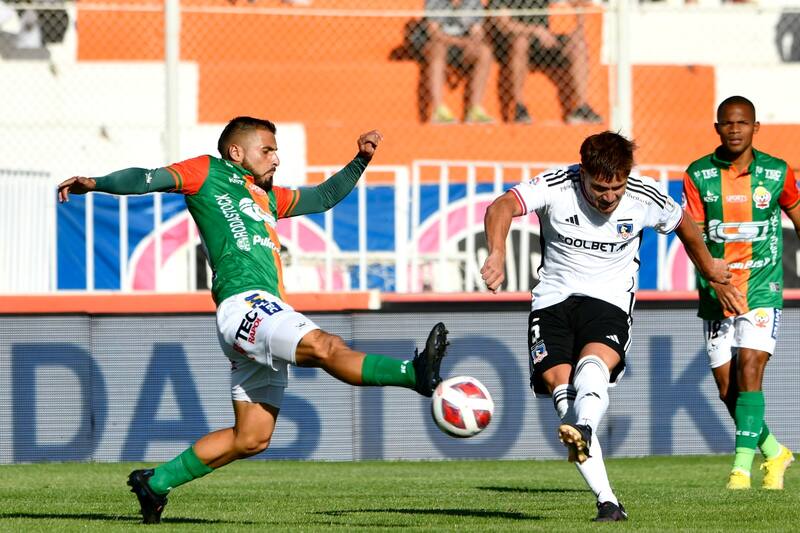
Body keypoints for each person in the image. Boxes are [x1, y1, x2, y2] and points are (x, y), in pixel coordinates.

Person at [57, 117, 450, 524]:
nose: (277, 158)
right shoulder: (206, 171)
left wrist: (360, 161)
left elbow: (323, 197)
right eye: (268, 150)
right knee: (324, 345)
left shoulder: (268, 198)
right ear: (236, 152)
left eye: (277, 151)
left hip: (259, 312)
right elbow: (146, 179)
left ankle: (155, 483)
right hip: (244, 305)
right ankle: (413, 373)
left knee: (252, 437)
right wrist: (96, 182)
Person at [481, 131, 732, 521]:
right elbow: (501, 207)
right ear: (583, 172)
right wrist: (497, 252)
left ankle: (585, 429)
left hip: (609, 300)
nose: (609, 197)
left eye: (617, 187)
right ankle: (608, 501)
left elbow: (682, 221)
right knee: (560, 390)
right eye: (600, 188)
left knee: (591, 369)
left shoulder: (644, 196)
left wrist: (708, 266)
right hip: (552, 300)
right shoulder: (556, 185)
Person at [682, 95, 800, 490]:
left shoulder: (778, 172)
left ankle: (739, 471)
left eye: (742, 123)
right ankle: (776, 452)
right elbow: (694, 236)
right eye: (727, 123)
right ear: (717, 128)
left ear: (755, 128)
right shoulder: (698, 174)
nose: (735, 129)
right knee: (727, 389)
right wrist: (714, 279)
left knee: (751, 369)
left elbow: (798, 214)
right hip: (717, 291)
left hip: (762, 286)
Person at [487, 0, 602, 124]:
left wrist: (580, 28)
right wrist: (534, 30)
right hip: (511, 46)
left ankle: (581, 108)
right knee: (520, 42)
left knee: (578, 44)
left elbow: (578, 2)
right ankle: (518, 108)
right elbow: (503, 24)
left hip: (543, 41)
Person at [422, 0, 495, 124]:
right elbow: (434, 32)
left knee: (484, 52)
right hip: (442, 43)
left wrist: (473, 41)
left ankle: (475, 110)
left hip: (463, 45)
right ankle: (438, 110)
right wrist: (459, 42)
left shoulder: (473, 2)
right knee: (437, 48)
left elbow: (477, 31)